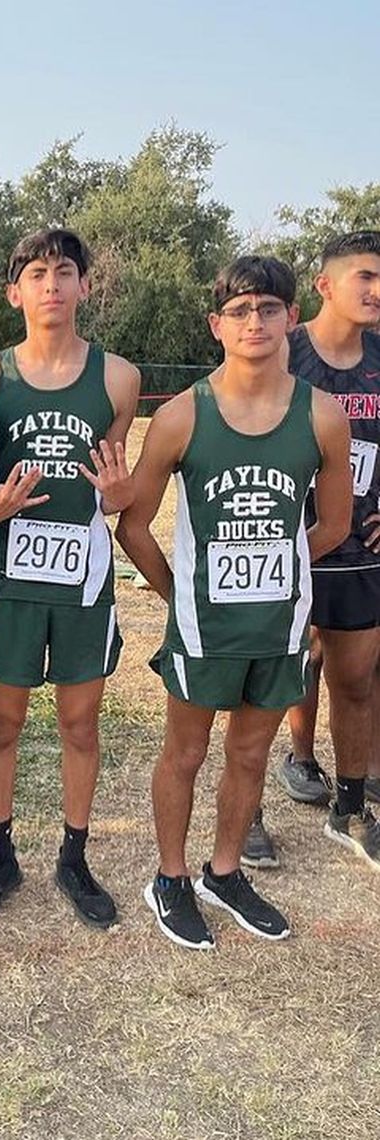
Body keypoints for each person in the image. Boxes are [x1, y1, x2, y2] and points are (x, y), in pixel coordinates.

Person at [118, 255, 351, 950]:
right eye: (241, 311)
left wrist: (282, 576)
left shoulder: (323, 416)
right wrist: (177, 595)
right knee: (184, 754)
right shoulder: (183, 416)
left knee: (250, 753)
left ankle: (224, 872)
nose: (256, 321)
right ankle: (169, 878)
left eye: (269, 309)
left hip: (277, 627)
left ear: (290, 318)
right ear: (217, 325)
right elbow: (133, 524)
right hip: (203, 627)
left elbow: (333, 524)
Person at [0, 229, 139, 929]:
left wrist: (120, 499)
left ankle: (74, 855)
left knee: (79, 722)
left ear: (85, 286)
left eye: (66, 271)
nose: (52, 284)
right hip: (9, 579)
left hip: (84, 581)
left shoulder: (118, 379)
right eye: (37, 273)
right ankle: (0, 855)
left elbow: (119, 489)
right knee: (3, 722)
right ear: (16, 292)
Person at [243, 231, 380, 870]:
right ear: (324, 286)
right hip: (283, 543)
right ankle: (247, 812)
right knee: (272, 677)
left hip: (360, 548)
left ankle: (350, 807)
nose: (377, 291)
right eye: (366, 277)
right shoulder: (281, 348)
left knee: (355, 680)